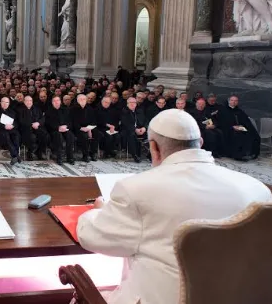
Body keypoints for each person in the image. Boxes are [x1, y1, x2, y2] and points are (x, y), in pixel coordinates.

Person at [77, 109, 272, 304]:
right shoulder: (256, 189)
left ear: (154, 148)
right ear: (200, 143)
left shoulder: (136, 190)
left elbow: (93, 237)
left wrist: (98, 211)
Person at [219, 95, 260, 161]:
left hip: (240, 128)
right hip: (229, 129)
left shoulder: (239, 111)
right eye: (232, 100)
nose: (234, 102)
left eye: (235, 101)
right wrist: (232, 127)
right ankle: (239, 155)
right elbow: (222, 122)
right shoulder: (223, 110)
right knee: (238, 135)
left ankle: (251, 153)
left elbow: (246, 121)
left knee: (253, 134)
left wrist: (244, 126)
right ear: (229, 101)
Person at [45, 96, 75, 165]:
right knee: (58, 136)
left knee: (70, 135)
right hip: (54, 130)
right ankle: (59, 157)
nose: (56, 102)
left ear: (60, 102)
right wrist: (58, 128)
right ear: (52, 103)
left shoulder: (66, 110)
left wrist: (66, 126)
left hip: (65, 129)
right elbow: (47, 123)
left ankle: (70, 157)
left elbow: (70, 121)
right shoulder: (48, 111)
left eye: (58, 100)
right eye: (54, 101)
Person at [17, 95, 48, 160]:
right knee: (32, 137)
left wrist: (38, 123)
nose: (29, 102)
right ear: (24, 102)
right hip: (26, 129)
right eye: (27, 101)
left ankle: (39, 152)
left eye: (30, 100)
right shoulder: (19, 110)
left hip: (37, 128)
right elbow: (21, 121)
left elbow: (42, 118)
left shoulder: (36, 108)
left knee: (45, 136)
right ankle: (29, 152)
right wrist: (31, 125)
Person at [72, 94, 102, 162]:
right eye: (81, 99)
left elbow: (93, 120)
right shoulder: (73, 109)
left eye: (84, 99)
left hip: (89, 127)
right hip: (78, 128)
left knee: (97, 133)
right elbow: (73, 121)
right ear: (77, 100)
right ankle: (85, 155)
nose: (83, 101)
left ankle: (93, 153)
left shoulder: (90, 108)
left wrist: (89, 129)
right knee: (84, 136)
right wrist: (81, 128)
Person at [0, 96, 21, 165]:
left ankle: (15, 156)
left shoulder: (12, 111)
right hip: (0, 133)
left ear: (9, 103)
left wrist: (13, 125)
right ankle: (15, 155)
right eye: (3, 102)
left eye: (7, 102)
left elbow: (16, 123)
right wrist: (4, 126)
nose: (5, 104)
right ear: (0, 103)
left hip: (11, 131)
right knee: (5, 135)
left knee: (16, 135)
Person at [120, 97, 147, 163]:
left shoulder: (139, 111)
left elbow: (146, 120)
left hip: (140, 130)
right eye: (130, 103)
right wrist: (135, 129)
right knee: (131, 135)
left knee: (151, 134)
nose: (132, 104)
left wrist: (144, 128)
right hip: (127, 130)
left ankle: (150, 154)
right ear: (127, 104)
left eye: (134, 103)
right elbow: (125, 123)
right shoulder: (124, 111)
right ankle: (135, 154)